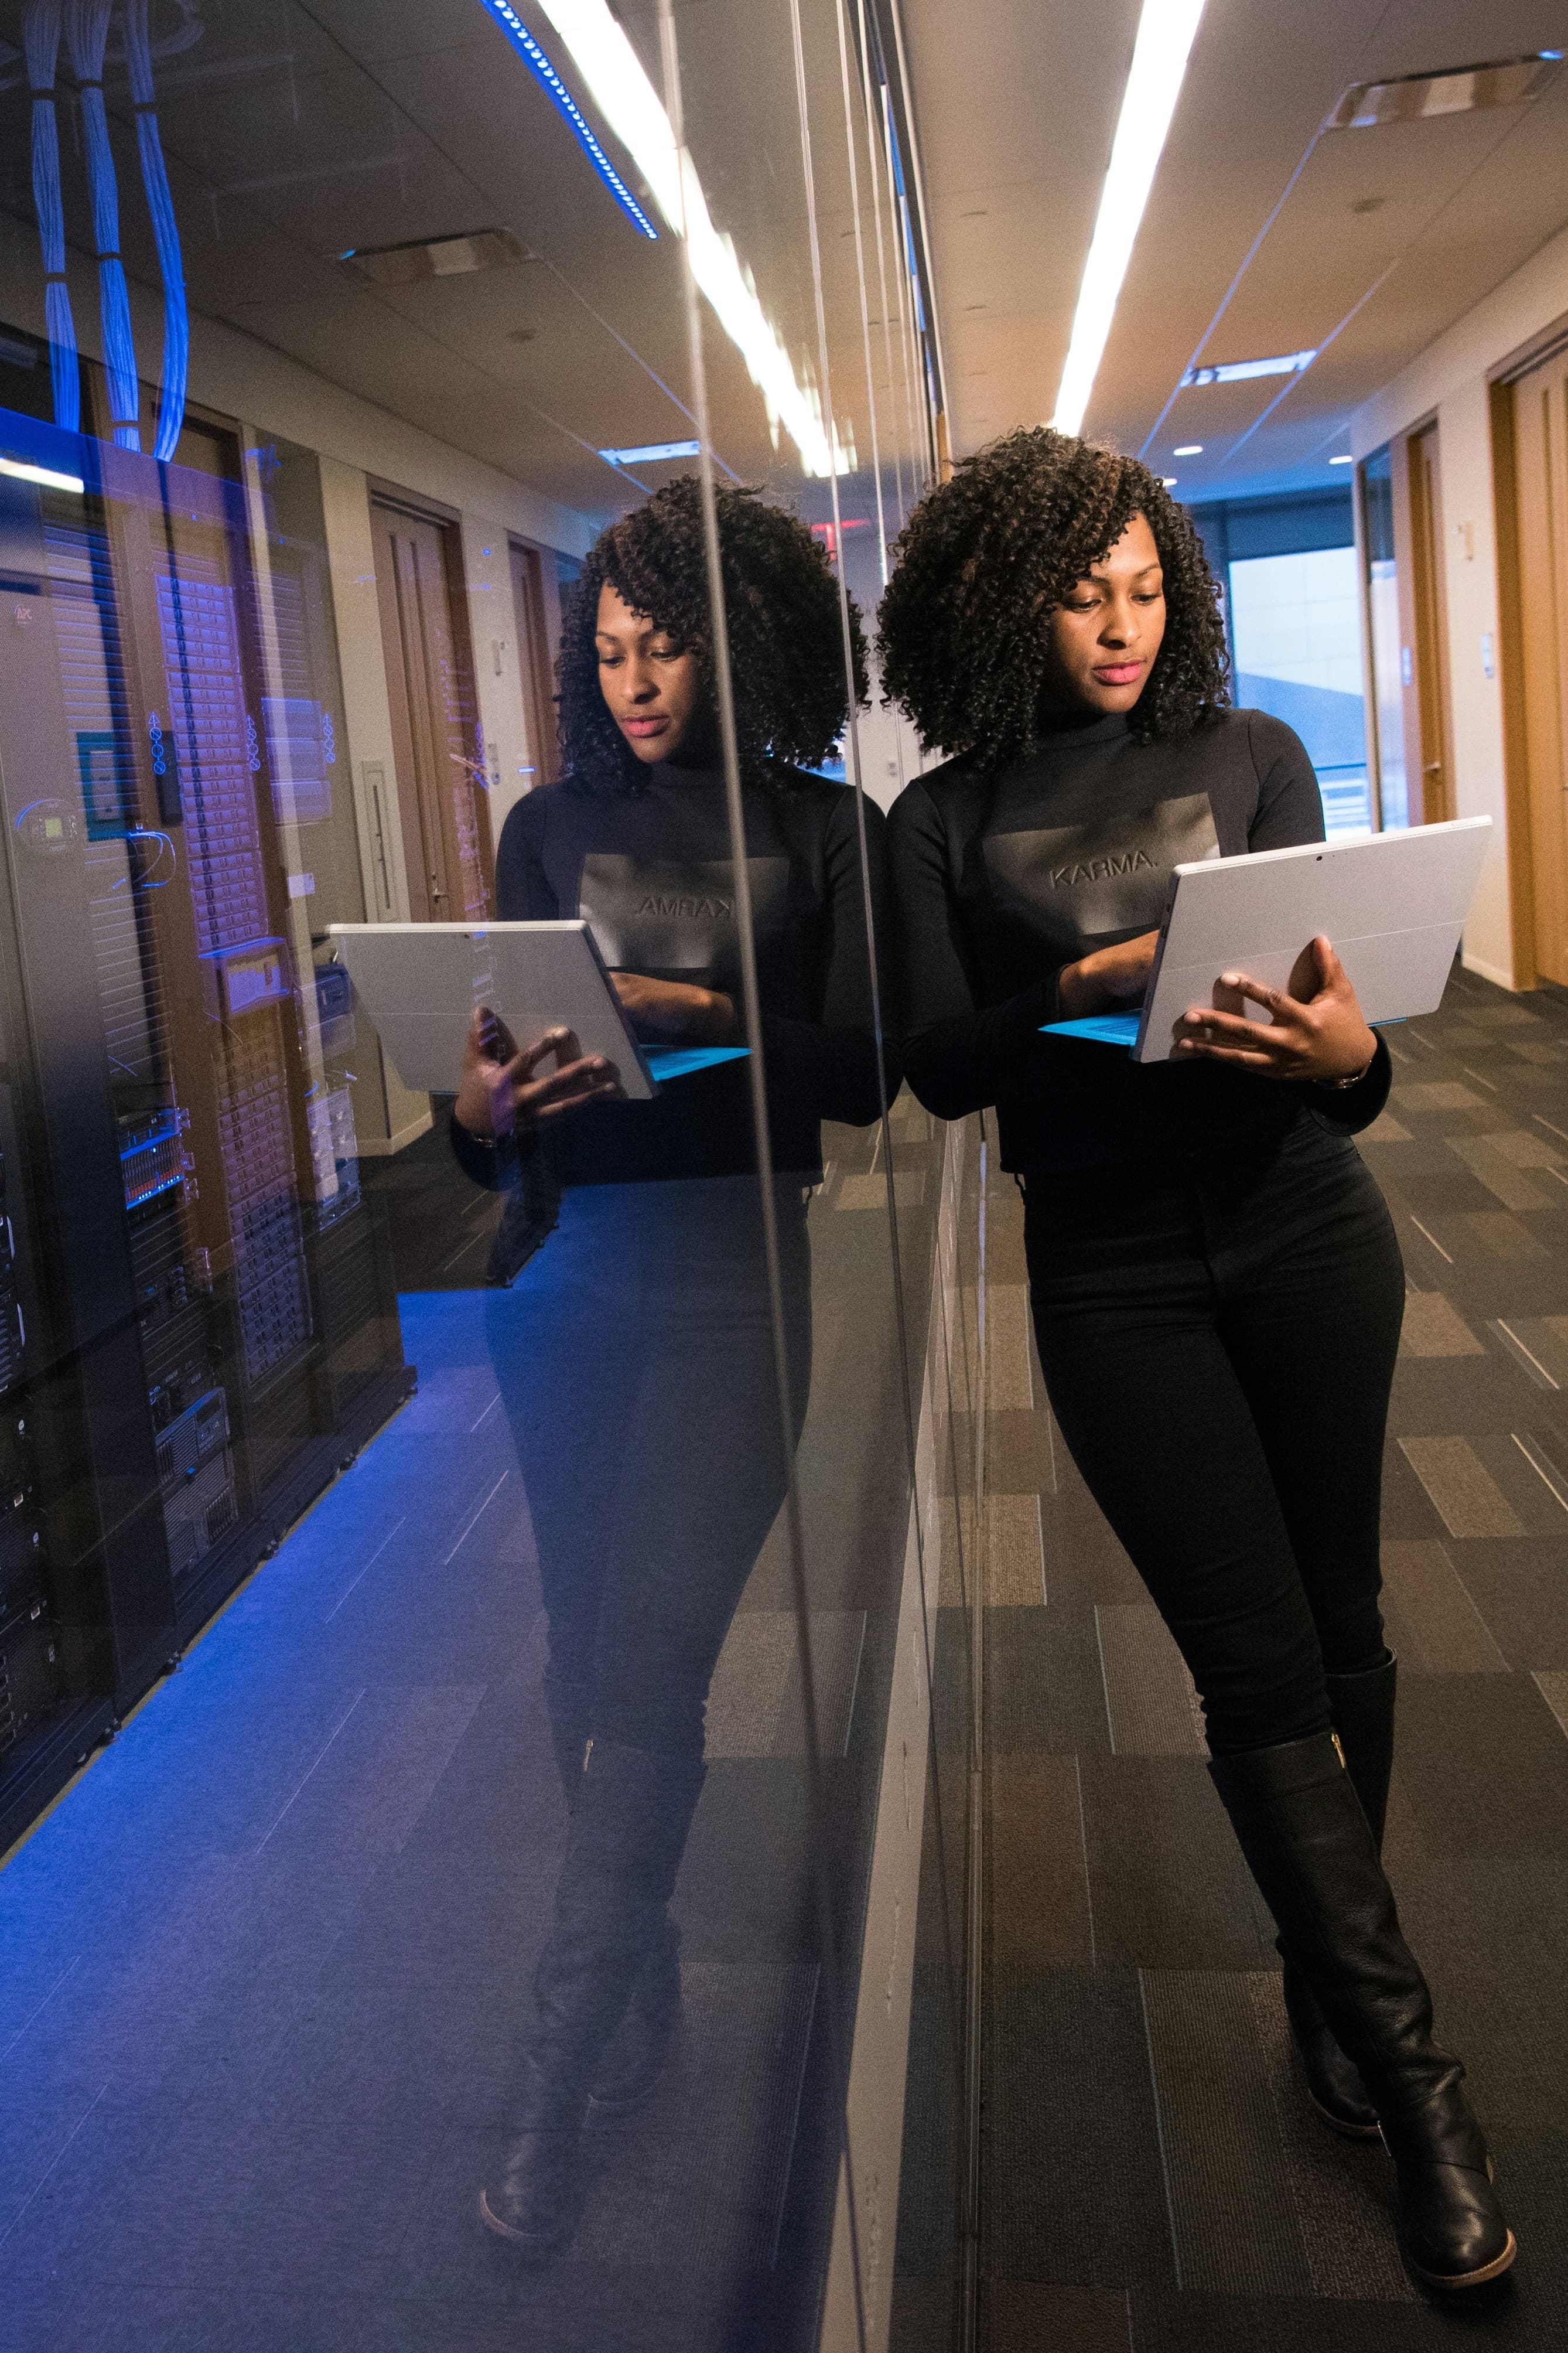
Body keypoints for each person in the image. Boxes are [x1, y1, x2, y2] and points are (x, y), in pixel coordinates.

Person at [880, 427, 1514, 2291]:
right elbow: (934, 1062)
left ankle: (1330, 1985)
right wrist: (1070, 993)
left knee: (1348, 1626)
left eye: (1150, 586)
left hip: (1308, 1226)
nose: (1124, 624)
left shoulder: (1253, 757)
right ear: (1007, 601)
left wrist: (1355, 1062)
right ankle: (1423, 2097)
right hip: (1112, 1273)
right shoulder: (944, 818)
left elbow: (1350, 1038)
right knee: (1252, 1671)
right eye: (1084, 592)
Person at [447, 478, 895, 2256]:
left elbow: (867, 1074)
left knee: (644, 1670)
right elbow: (488, 1120)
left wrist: (701, 1019)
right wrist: (481, 1112)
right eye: (613, 651)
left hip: (736, 1291)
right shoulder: (544, 825)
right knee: (584, 1669)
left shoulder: (819, 826)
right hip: (568, 1279)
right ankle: (640, 1995)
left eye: (669, 645)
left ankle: (556, 2079)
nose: (638, 681)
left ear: (741, 639)